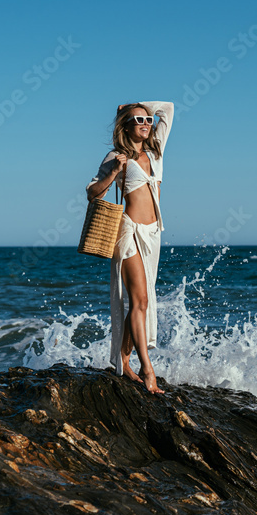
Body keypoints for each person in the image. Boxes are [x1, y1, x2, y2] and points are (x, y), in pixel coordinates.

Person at [86, 101, 174, 394]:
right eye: (138, 119)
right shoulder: (116, 155)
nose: (146, 123)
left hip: (153, 234)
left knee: (141, 300)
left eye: (148, 119)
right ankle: (148, 370)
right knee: (141, 301)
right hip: (128, 232)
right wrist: (113, 173)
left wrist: (137, 106)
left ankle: (122, 359)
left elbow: (169, 109)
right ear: (125, 125)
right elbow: (91, 192)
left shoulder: (156, 148)